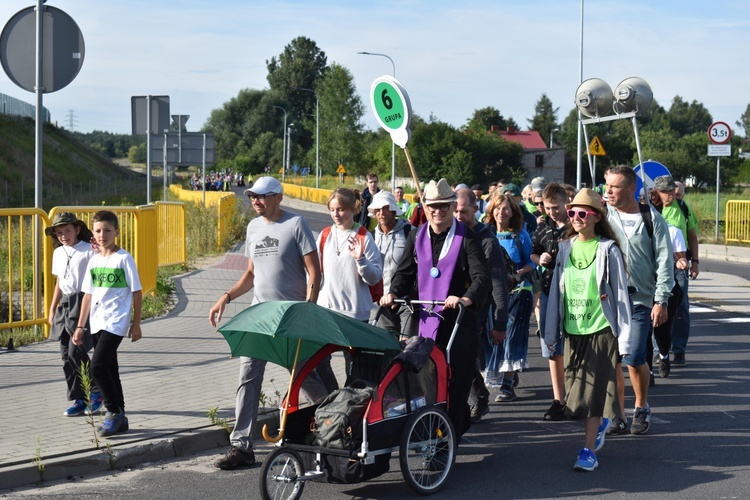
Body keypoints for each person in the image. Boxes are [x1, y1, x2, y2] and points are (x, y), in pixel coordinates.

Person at [208, 176, 321, 469]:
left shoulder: (297, 224)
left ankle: (335, 424)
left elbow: (314, 272)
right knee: (248, 376)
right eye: (252, 197)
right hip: (260, 316)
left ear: (278, 197)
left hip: (290, 317)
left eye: (261, 196)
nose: (255, 201)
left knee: (306, 378)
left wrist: (308, 309)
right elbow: (251, 273)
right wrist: (226, 297)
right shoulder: (253, 227)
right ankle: (241, 447)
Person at [382, 178, 490, 439]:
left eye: (443, 206)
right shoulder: (416, 235)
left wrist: (465, 298)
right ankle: (442, 430)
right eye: (432, 207)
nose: (438, 211)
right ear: (425, 207)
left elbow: (481, 278)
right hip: (426, 321)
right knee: (429, 384)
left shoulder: (468, 238)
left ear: (453, 207)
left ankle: (445, 441)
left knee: (456, 383)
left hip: (457, 323)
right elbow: (404, 272)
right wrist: (393, 292)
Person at [543, 188, 631, 472]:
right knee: (574, 395)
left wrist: (625, 339)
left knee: (591, 397)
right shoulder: (565, 247)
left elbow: (619, 295)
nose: (576, 217)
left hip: (601, 329)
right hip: (573, 330)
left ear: (595, 217)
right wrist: (551, 331)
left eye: (583, 213)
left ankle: (588, 450)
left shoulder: (608, 249)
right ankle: (604, 421)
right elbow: (557, 291)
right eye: (572, 213)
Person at [604, 166, 673, 435]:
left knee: (633, 357)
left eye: (614, 186)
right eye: (606, 185)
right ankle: (618, 414)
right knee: (611, 361)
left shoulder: (651, 218)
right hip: (608, 300)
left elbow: (665, 261)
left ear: (631, 189)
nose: (608, 191)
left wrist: (662, 300)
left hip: (640, 300)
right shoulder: (602, 217)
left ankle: (641, 406)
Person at [76, 210, 143, 437]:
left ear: (116, 232)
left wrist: (136, 324)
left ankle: (112, 412)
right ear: (93, 233)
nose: (102, 235)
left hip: (117, 321)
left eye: (107, 230)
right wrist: (79, 326)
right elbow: (87, 295)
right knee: (110, 368)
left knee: (97, 367)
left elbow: (136, 292)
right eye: (98, 231)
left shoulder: (124, 258)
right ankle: (121, 417)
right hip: (97, 322)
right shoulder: (94, 260)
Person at [454, 188, 508, 423]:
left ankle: (475, 400)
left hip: (477, 310)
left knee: (466, 357)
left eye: (463, 211)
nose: (458, 216)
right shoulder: (452, 235)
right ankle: (477, 395)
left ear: (475, 209)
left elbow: (498, 284)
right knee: (458, 357)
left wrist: (500, 322)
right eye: (454, 210)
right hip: (452, 307)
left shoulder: (487, 241)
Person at [46, 212, 101, 417]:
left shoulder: (89, 250)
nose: (63, 235)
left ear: (77, 229)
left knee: (75, 351)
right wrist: (52, 308)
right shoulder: (59, 253)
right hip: (65, 304)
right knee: (65, 356)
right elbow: (60, 282)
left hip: (83, 300)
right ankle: (79, 398)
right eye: (59, 232)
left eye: (67, 230)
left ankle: (96, 391)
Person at [484, 193, 534, 402]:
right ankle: (507, 375)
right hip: (494, 294)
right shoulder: (486, 234)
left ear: (513, 212)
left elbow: (532, 262)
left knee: (511, 336)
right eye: (497, 208)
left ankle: (507, 385)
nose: (501, 212)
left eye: (505, 208)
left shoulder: (520, 235)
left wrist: (518, 274)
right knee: (493, 337)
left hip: (519, 291)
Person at [531, 183, 571, 420]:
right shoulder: (542, 227)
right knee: (551, 345)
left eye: (556, 207)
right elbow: (534, 252)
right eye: (547, 208)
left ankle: (577, 395)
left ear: (566, 202)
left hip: (573, 292)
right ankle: (559, 399)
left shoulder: (576, 225)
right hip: (548, 289)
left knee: (574, 345)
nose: (552, 212)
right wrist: (540, 258)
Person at [652, 175, 699, 366]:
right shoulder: (651, 209)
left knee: (680, 307)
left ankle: (679, 350)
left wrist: (695, 262)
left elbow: (692, 237)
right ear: (657, 192)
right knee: (657, 305)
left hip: (679, 265)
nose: (671, 194)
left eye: (672, 190)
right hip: (656, 265)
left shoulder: (683, 208)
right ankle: (658, 350)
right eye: (666, 191)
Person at [318, 188, 382, 322]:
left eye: (341, 209)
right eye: (332, 210)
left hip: (355, 315)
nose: (336, 214)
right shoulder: (325, 235)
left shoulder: (364, 236)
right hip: (326, 311)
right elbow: (314, 274)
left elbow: (374, 278)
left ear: (353, 209)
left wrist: (361, 260)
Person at [368, 190, 416, 338]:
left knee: (408, 348)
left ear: (394, 210)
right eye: (378, 209)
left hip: (407, 301)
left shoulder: (410, 232)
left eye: (386, 208)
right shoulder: (371, 236)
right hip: (380, 302)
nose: (382, 213)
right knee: (386, 349)